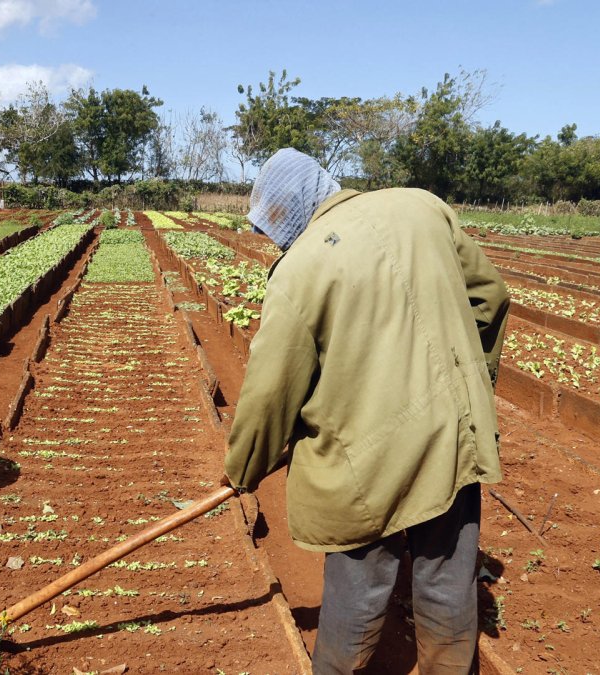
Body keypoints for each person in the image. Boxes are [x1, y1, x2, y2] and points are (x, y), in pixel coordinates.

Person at [222, 149, 510, 673]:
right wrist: (466, 382)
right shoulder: (424, 208)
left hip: (368, 453)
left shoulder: (300, 269)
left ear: (289, 213)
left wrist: (243, 470)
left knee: (358, 589)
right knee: (447, 581)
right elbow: (489, 298)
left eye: (276, 226)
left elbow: (270, 392)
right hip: (452, 436)